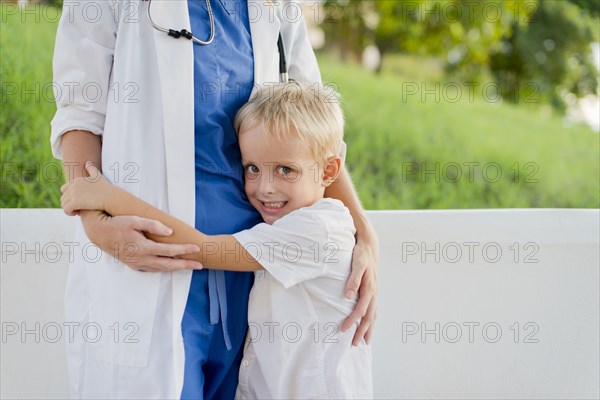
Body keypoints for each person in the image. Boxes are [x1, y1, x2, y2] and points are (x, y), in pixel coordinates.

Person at [51, 0, 378, 398]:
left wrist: (365, 236)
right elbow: (79, 114)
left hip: (251, 274)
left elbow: (314, 134)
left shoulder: (277, 6)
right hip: (147, 262)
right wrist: (96, 222)